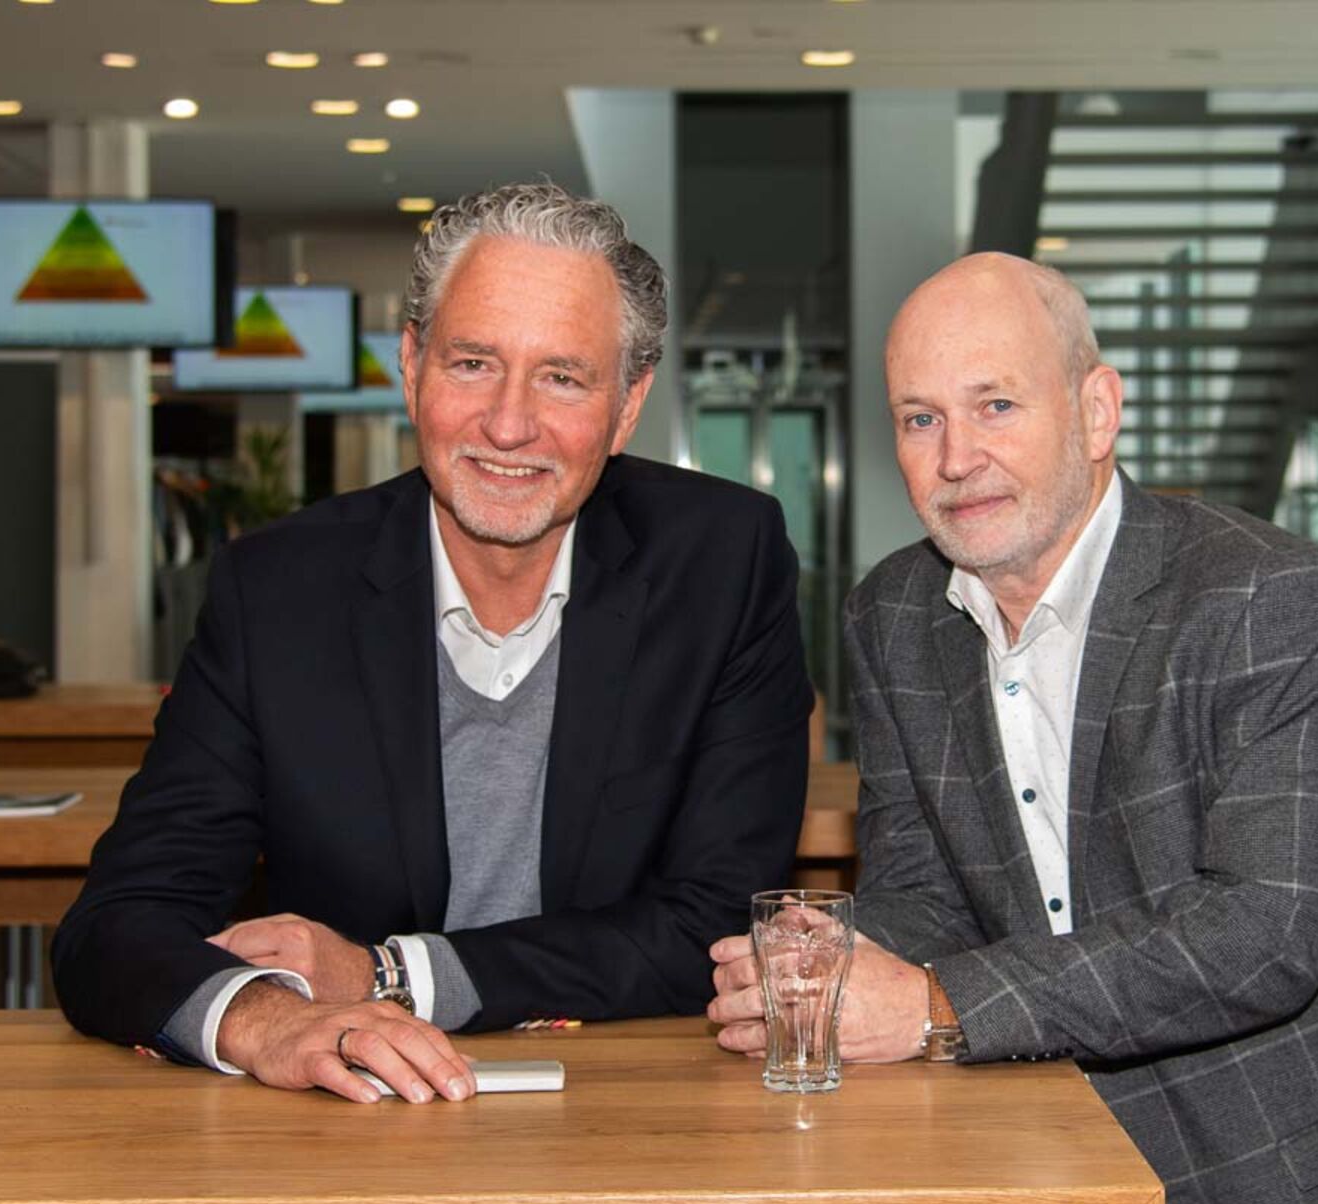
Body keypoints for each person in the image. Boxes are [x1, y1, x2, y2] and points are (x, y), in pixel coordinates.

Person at [708, 253, 1318, 1204]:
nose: (956, 457)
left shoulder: (1278, 601)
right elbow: (929, 892)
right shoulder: (893, 615)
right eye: (919, 418)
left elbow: (1261, 936)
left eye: (995, 405)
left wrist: (932, 1003)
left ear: (1096, 412)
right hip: (1061, 1188)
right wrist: (836, 961)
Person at [56, 182, 812, 1105]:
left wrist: (391, 975)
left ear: (626, 406)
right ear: (412, 366)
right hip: (348, 1117)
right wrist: (266, 1020)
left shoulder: (723, 560)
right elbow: (118, 921)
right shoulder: (278, 590)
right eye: (473, 363)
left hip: (637, 1102)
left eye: (563, 377)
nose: (508, 423)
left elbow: (717, 925)